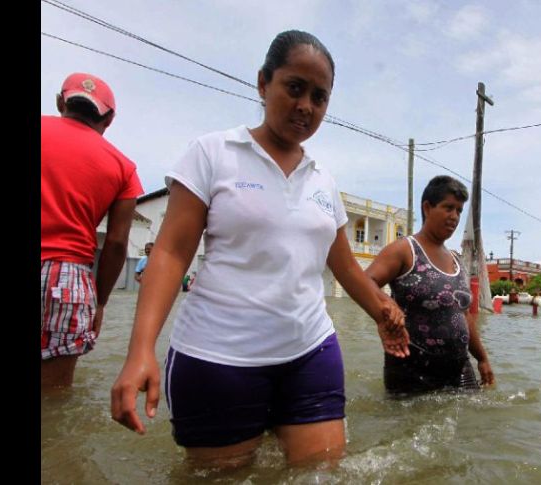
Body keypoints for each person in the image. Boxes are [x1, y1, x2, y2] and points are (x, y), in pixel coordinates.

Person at [110, 30, 408, 469]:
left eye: (320, 97)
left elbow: (344, 266)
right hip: (218, 358)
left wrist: (384, 313)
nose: (306, 105)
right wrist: (141, 351)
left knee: (321, 475)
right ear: (263, 82)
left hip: (311, 351)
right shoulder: (213, 153)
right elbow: (171, 253)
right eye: (295, 88)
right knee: (221, 478)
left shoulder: (322, 180)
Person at [41, 72, 144, 389]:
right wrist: (100, 303)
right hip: (66, 278)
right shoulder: (123, 167)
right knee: (53, 398)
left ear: (61, 101)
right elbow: (115, 243)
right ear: (109, 119)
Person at [365, 176, 495, 394]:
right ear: (427, 207)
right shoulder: (404, 250)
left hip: (459, 368)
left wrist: (482, 358)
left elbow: (463, 315)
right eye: (448, 208)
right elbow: (366, 281)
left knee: (471, 424)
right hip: (412, 368)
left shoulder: (456, 260)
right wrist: (385, 309)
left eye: (459, 211)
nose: (454, 216)